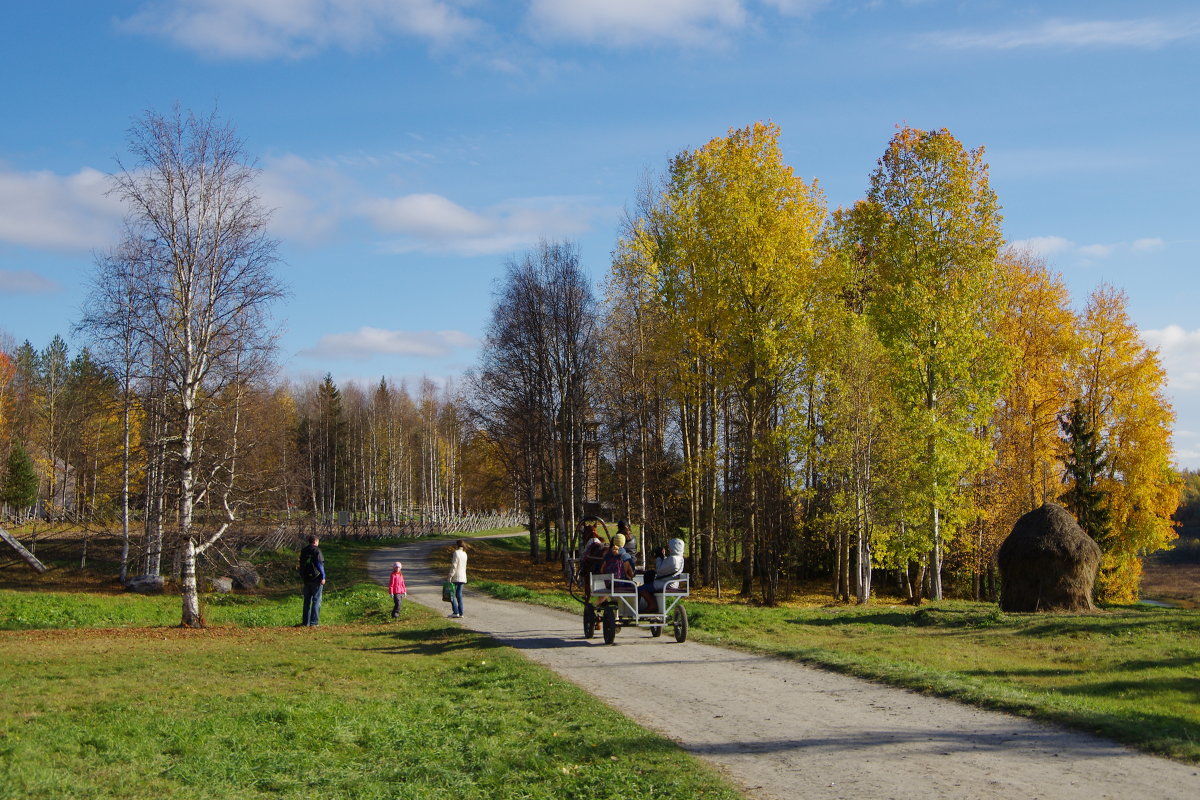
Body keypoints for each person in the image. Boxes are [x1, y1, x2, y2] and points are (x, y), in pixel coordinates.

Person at [639, 537, 685, 613]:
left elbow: (659, 569)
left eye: (670, 547)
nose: (669, 549)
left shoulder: (673, 559)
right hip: (671, 582)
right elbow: (667, 567)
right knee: (648, 585)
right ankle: (653, 604)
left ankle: (652, 605)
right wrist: (662, 556)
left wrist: (658, 557)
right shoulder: (679, 558)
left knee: (641, 589)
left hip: (665, 584)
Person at [298, 535, 325, 626]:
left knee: (307, 601)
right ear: (315, 541)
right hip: (316, 579)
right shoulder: (317, 551)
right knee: (316, 600)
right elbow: (319, 565)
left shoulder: (304, 551)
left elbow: (301, 565)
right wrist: (323, 577)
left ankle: (305, 622)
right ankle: (314, 622)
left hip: (306, 579)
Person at [448, 539, 467, 618]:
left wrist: (450, 576)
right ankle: (461, 612)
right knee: (459, 595)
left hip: (456, 576)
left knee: (452, 594)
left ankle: (455, 611)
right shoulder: (464, 554)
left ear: (457, 545)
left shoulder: (456, 553)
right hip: (463, 576)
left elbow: (454, 566)